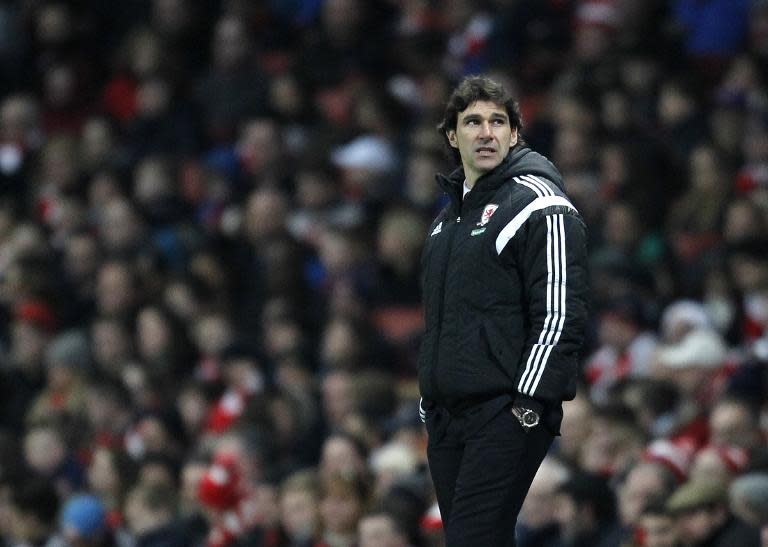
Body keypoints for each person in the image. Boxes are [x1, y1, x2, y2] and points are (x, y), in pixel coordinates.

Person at [417, 75, 589, 546]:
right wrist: (428, 401)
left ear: (515, 134)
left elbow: (558, 314)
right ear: (452, 136)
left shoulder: (539, 203)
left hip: (504, 411)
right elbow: (439, 324)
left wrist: (525, 406)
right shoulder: (445, 222)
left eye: (498, 121)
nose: (486, 132)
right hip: (447, 415)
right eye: (472, 122)